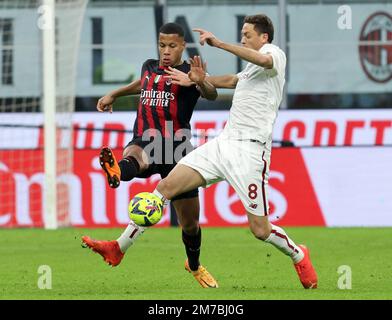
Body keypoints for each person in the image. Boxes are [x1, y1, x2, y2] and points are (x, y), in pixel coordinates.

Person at [140, 14, 318, 289]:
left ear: (264, 38)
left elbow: (264, 61)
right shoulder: (251, 67)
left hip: (250, 152)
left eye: (247, 34)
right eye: (242, 35)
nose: (243, 38)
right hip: (224, 142)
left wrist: (220, 44)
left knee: (260, 230)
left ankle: (298, 254)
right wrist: (197, 78)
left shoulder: (274, 55)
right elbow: (234, 80)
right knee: (166, 186)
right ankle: (121, 246)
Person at [82, 22, 219, 288]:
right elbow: (141, 84)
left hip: (177, 147)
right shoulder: (148, 66)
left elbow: (211, 94)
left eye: (172, 46)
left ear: (182, 46)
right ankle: (118, 171)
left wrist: (201, 81)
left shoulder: (190, 73)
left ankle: (194, 265)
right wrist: (114, 93)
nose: (166, 51)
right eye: (162, 45)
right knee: (137, 154)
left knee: (190, 223)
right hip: (147, 137)